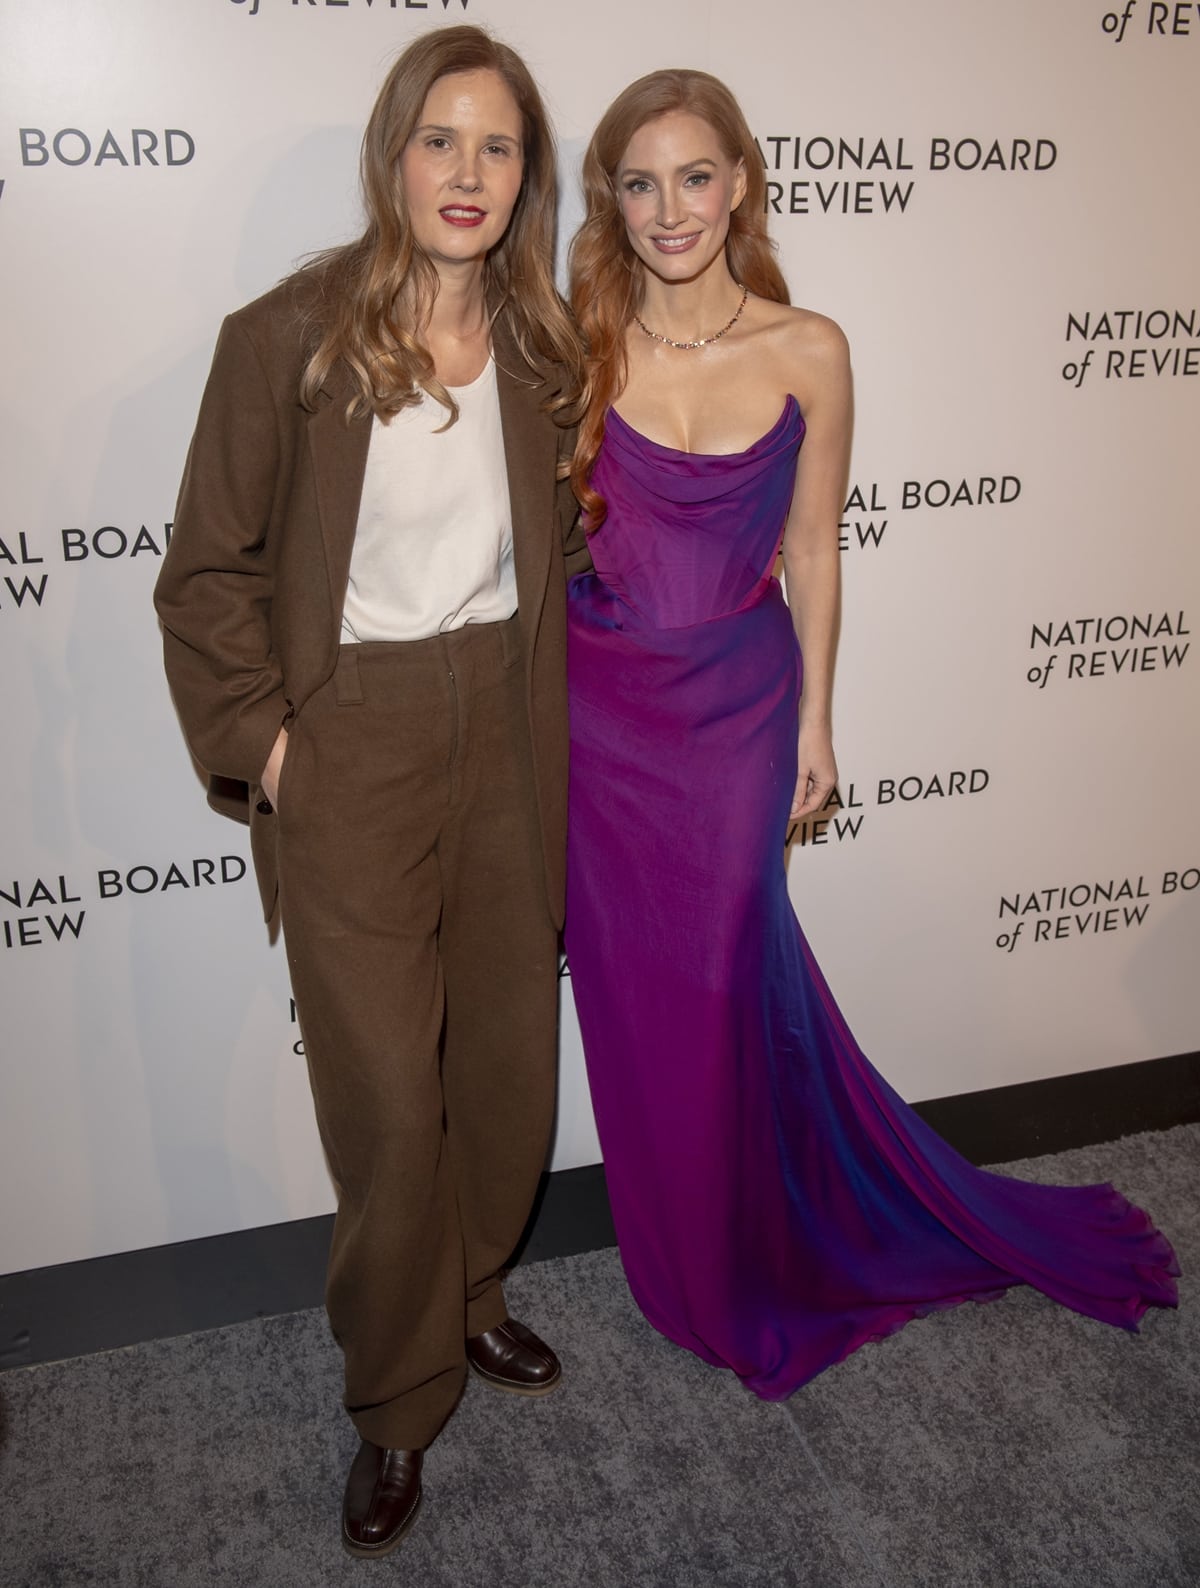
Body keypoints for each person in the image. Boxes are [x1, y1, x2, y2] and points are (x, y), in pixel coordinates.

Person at [562, 68, 1179, 1402]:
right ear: (609, 201)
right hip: (596, 722)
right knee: (631, 1003)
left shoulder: (810, 348)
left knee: (723, 988)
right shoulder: (576, 342)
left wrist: (819, 723)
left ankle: (756, 1251)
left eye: (697, 175)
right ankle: (678, 1258)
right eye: (640, 181)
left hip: (736, 714)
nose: (672, 209)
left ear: (742, 183)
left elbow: (814, 547)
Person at [154, 26, 586, 1558]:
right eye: (441, 141)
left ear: (527, 175)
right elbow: (205, 577)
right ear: (392, 151)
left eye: (500, 147)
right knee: (391, 1106)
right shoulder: (288, 337)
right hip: (357, 739)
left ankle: (470, 1297)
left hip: (508, 736)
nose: (468, 175)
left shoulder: (544, 341)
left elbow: (571, 558)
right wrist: (277, 749)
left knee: (505, 1069)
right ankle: (396, 1402)